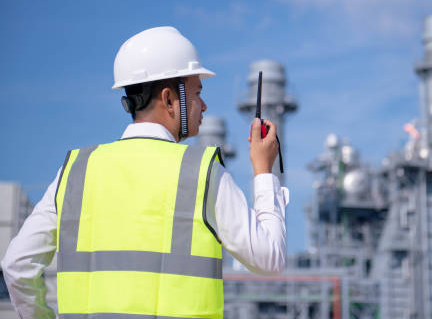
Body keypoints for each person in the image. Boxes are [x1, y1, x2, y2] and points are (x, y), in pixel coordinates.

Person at [1, 26, 289, 319]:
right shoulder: (202, 173)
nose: (204, 105)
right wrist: (264, 171)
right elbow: (269, 259)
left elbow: (17, 265)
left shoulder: (75, 172)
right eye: (197, 93)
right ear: (168, 98)